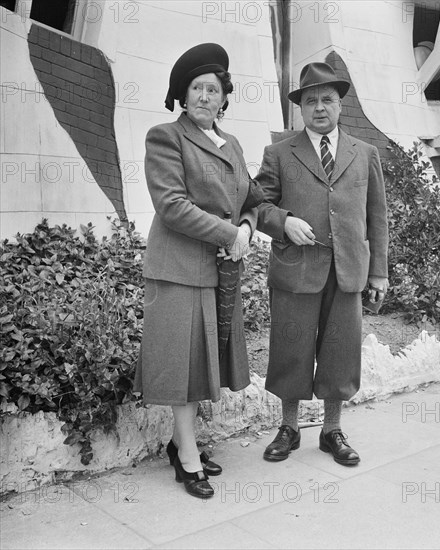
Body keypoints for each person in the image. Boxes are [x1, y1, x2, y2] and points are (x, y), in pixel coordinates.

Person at [133, 43, 258, 498]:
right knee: (183, 367)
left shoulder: (233, 144)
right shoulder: (165, 137)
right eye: (197, 89)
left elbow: (253, 198)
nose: (206, 96)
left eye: (214, 89)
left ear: (224, 97)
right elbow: (171, 206)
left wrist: (245, 225)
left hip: (219, 271)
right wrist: (230, 235)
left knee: (204, 364)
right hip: (179, 269)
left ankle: (180, 442)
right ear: (183, 97)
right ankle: (187, 457)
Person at [256, 62, 389, 466]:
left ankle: (332, 431)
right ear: (301, 107)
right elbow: (257, 205)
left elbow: (377, 215)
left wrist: (379, 272)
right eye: (310, 100)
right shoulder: (279, 153)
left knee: (341, 351)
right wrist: (284, 222)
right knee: (291, 348)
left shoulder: (365, 154)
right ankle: (290, 428)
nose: (319, 107)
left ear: (339, 104)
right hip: (297, 267)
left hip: (348, 269)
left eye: (327, 99)